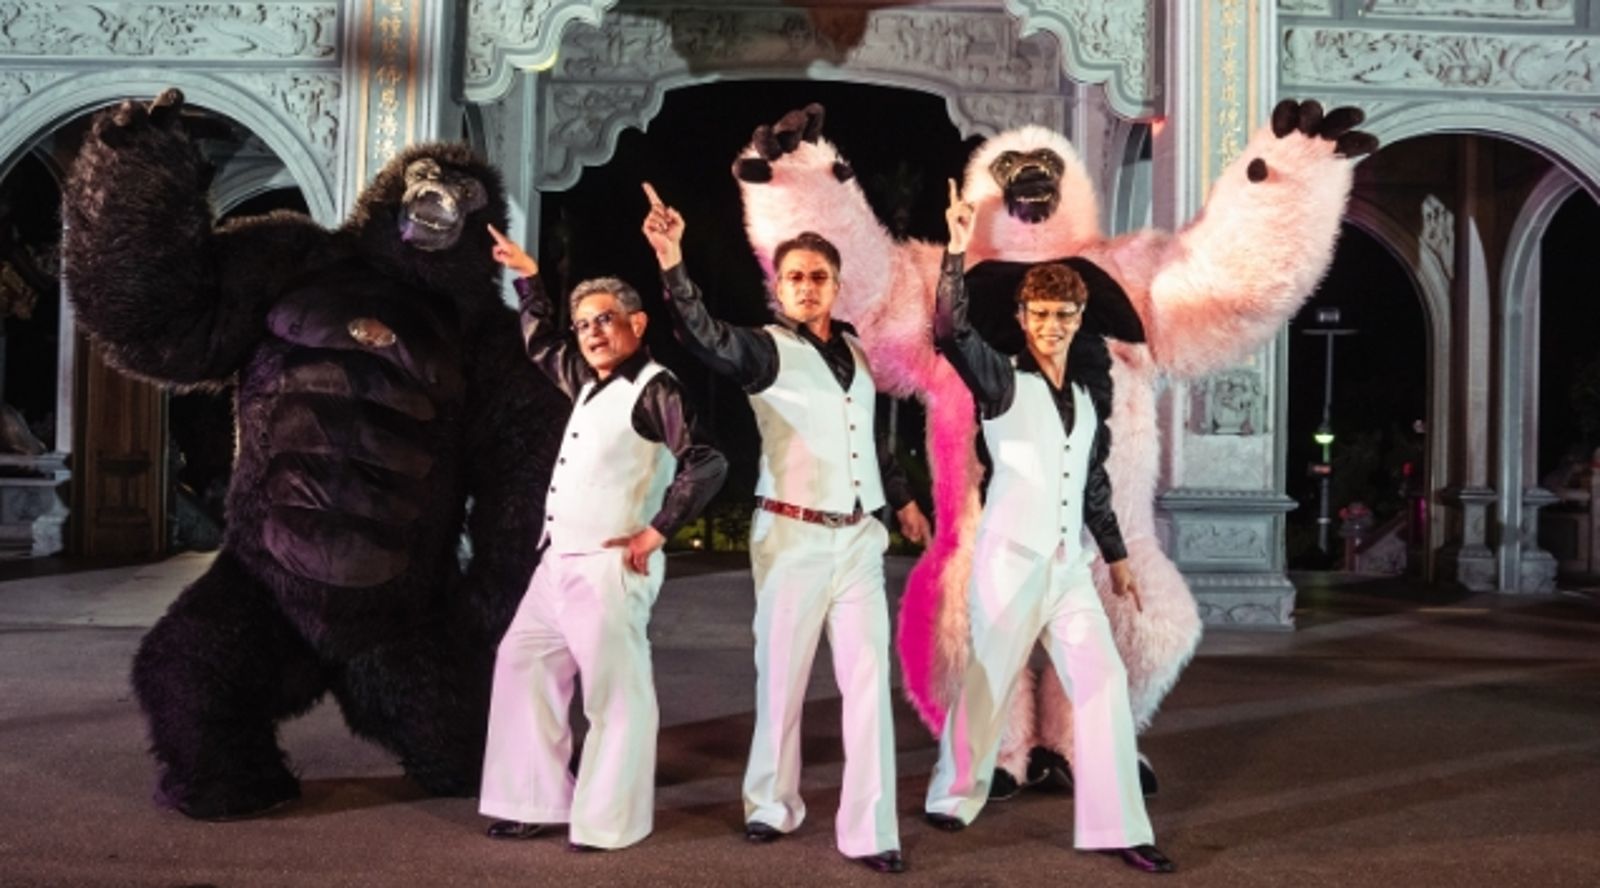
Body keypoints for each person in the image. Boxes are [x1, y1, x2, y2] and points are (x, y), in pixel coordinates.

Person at [641, 183, 929, 874]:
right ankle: (772, 803)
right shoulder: (763, 350)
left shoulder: (857, 351)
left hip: (858, 539)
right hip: (792, 537)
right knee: (782, 679)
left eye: (818, 277)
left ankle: (871, 830)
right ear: (779, 287)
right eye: (794, 277)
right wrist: (673, 261)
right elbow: (701, 335)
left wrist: (902, 500)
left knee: (867, 683)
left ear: (835, 287)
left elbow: (872, 439)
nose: (806, 286)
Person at [922, 181, 1174, 874]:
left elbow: (1091, 484)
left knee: (1103, 682)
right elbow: (948, 333)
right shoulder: (1001, 382)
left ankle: (1119, 826)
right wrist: (954, 252)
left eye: (1064, 313)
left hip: (1068, 569)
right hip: (1009, 560)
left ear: (1078, 316)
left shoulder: (1088, 399)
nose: (1052, 324)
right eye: (1040, 313)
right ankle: (955, 792)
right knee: (989, 681)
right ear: (1024, 317)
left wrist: (1116, 556)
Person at [478, 224, 727, 851]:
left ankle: (610, 821)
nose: (590, 332)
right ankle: (533, 800)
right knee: (522, 666)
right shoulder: (587, 378)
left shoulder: (655, 387)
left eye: (605, 319)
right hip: (555, 562)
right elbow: (541, 342)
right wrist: (528, 278)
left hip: (611, 566)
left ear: (637, 324)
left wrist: (656, 531)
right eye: (583, 323)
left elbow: (705, 460)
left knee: (615, 695)